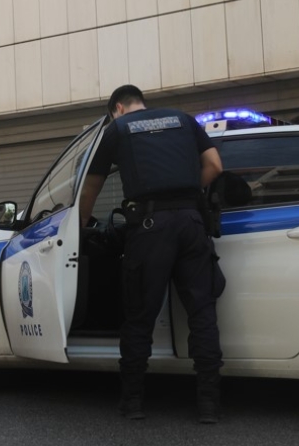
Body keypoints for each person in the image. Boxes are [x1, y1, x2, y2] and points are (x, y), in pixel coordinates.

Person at [79, 85, 225, 424]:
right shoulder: (183, 119)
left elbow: (91, 185)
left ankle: (132, 402)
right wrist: (188, 194)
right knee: (202, 313)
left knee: (139, 315)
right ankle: (209, 405)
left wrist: (82, 223)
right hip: (192, 222)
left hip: (149, 228)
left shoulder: (117, 129)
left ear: (117, 108)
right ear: (140, 102)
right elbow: (215, 166)